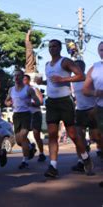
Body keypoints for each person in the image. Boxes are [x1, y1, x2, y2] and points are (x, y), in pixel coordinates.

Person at [35, 39, 93, 178]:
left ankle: (85, 158)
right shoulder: (48, 65)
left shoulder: (65, 61)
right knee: (52, 135)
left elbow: (81, 76)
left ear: (60, 48)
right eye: (50, 46)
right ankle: (53, 166)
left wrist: (63, 80)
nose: (52, 48)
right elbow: (51, 81)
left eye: (54, 46)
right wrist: (41, 82)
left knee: (72, 134)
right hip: (51, 103)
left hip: (65, 102)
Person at [5, 69, 40, 169]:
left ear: (22, 77)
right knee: (18, 140)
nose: (16, 78)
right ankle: (30, 147)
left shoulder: (28, 89)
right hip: (16, 115)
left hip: (26, 115)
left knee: (23, 136)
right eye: (15, 76)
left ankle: (25, 160)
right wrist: (8, 103)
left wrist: (31, 103)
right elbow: (6, 101)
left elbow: (38, 102)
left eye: (18, 76)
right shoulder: (11, 90)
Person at [71, 60, 102, 172]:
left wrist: (95, 108)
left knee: (96, 137)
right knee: (79, 136)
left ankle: (99, 151)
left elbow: (96, 92)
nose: (75, 69)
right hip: (80, 111)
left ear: (83, 68)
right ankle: (81, 161)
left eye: (78, 67)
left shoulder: (89, 79)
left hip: (92, 110)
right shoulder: (73, 81)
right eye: (74, 67)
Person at [82, 41, 103, 187]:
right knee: (98, 138)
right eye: (101, 49)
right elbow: (85, 89)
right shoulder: (94, 68)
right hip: (101, 108)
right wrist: (95, 92)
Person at [23, 74, 47, 162]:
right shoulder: (19, 90)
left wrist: (31, 104)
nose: (24, 81)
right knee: (22, 135)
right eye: (23, 80)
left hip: (35, 113)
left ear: (29, 81)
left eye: (25, 80)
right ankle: (30, 147)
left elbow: (41, 102)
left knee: (36, 134)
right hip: (25, 114)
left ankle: (41, 153)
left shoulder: (34, 89)